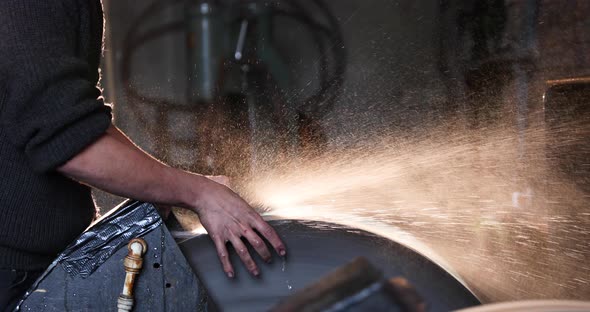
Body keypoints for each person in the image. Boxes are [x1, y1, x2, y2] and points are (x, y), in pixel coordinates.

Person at [0, 1, 286, 310]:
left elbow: (81, 123)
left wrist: (163, 186)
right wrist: (199, 193)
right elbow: (69, 143)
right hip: (13, 276)